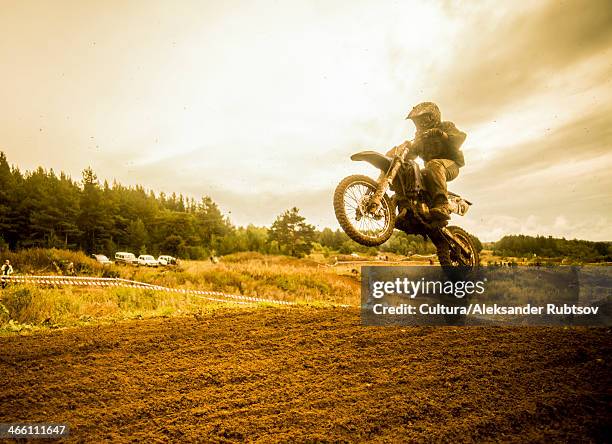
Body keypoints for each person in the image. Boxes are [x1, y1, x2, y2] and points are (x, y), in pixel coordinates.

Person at [386, 102, 466, 220]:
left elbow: (459, 139)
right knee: (411, 172)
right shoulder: (419, 137)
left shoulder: (445, 126)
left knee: (433, 164)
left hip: (451, 165)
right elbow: (411, 155)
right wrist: (401, 151)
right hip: (431, 170)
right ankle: (407, 211)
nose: (420, 123)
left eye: (423, 119)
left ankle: (442, 205)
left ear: (432, 116)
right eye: (417, 121)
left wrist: (441, 134)